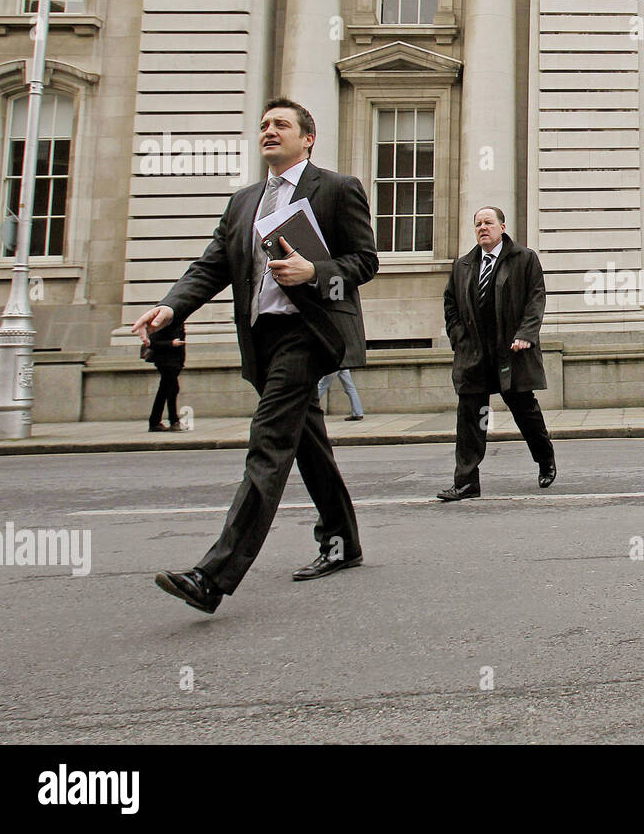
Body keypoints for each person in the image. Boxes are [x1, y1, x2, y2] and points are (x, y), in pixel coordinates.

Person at [131, 97, 378, 614]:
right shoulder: (244, 201)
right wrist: (169, 308)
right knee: (307, 445)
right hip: (262, 337)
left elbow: (364, 261)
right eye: (264, 124)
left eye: (281, 125)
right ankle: (343, 541)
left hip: (308, 332)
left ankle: (213, 575)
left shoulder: (335, 188)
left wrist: (315, 272)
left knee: (267, 445)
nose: (269, 131)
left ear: (307, 138)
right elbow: (211, 265)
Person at [437, 206, 556, 501]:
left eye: (488, 223)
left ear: (502, 227)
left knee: (524, 412)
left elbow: (535, 298)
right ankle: (466, 482)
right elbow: (450, 303)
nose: (482, 228)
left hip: (511, 352)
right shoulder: (463, 265)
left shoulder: (524, 259)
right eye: (478, 224)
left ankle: (545, 459)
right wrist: (458, 338)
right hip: (474, 354)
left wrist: (525, 335)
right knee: (470, 417)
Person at [146, 318, 186, 432]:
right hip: (165, 362)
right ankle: (173, 421)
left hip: (175, 362)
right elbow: (152, 343)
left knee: (165, 391)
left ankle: (155, 422)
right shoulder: (161, 321)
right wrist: (171, 343)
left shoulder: (177, 321)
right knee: (171, 391)